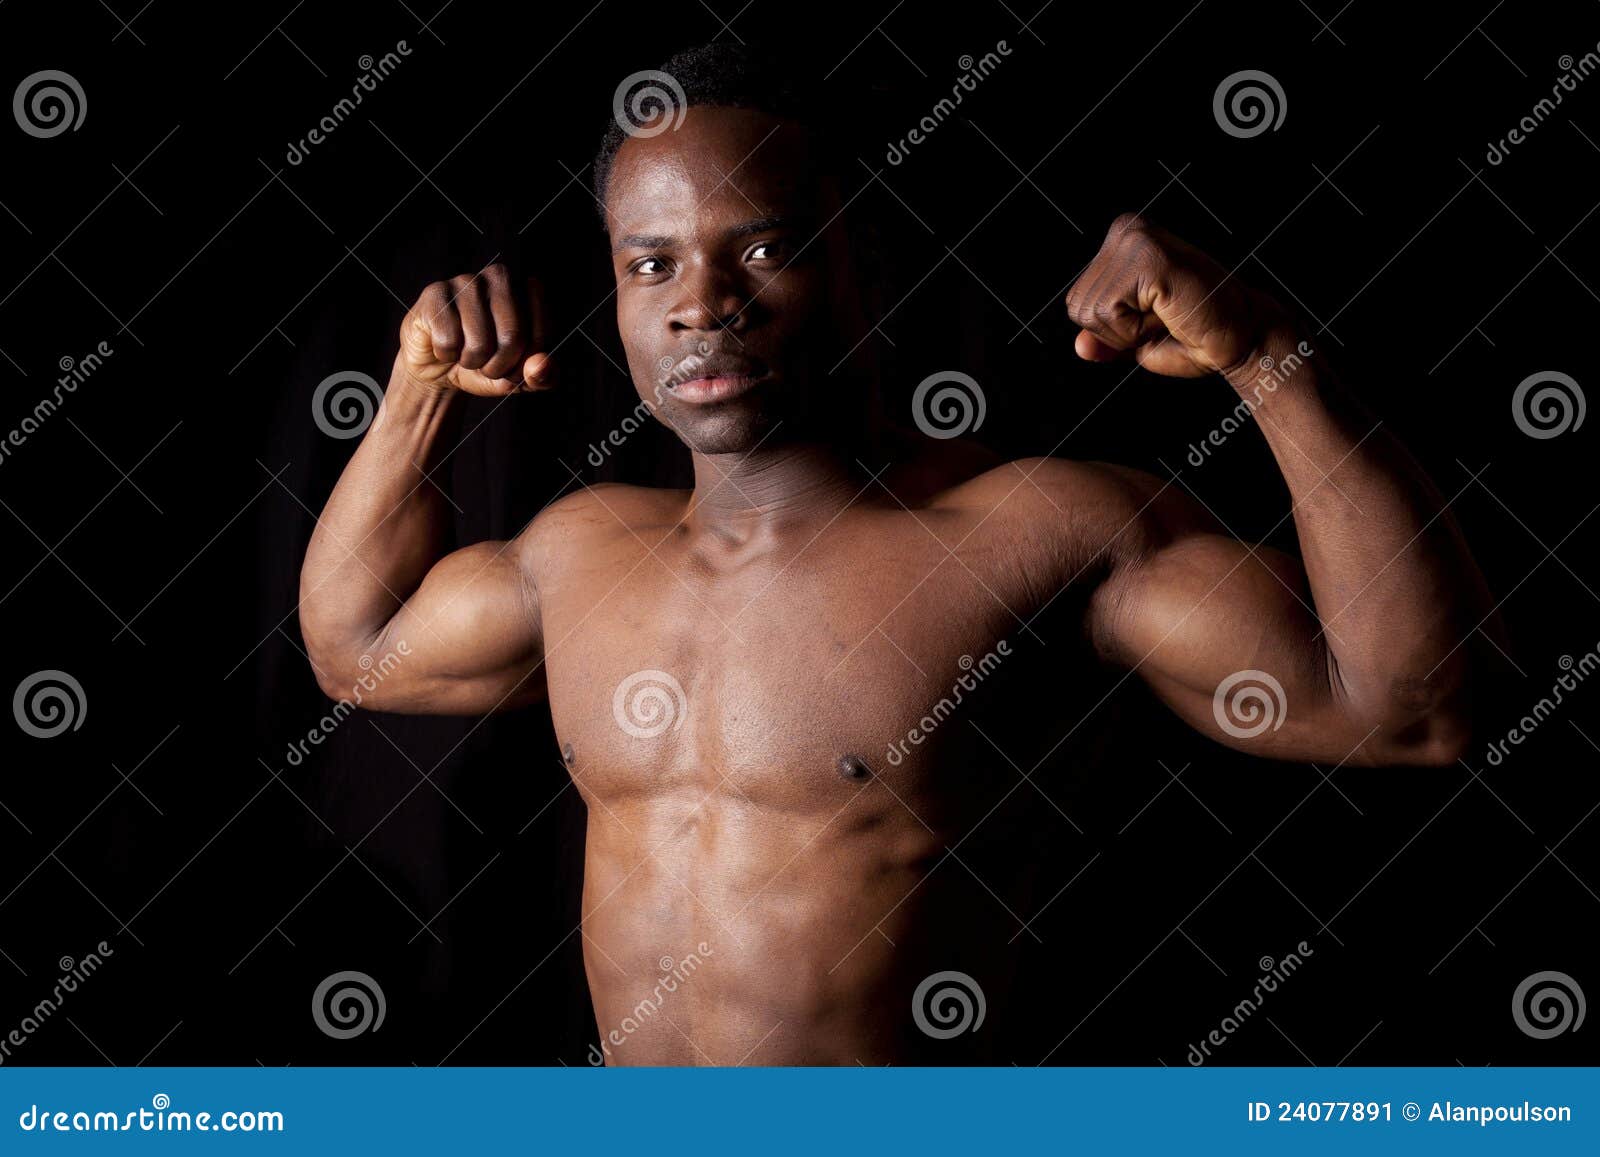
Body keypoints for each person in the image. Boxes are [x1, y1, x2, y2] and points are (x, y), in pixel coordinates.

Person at [298, 44, 1492, 1064]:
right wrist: (414, 392)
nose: (699, 302)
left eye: (761, 250)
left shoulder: (1034, 534)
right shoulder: (576, 552)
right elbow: (354, 650)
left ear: (859, 260)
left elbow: (1409, 710)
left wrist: (1264, 354)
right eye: (650, 262)